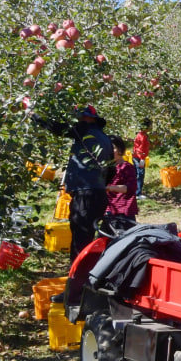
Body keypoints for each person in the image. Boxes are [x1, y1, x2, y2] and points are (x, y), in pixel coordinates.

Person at [33, 106, 115, 261]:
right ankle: (86, 277)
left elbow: (58, 129)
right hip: (98, 194)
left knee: (80, 241)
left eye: (78, 117)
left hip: (85, 194)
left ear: (86, 118)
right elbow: (112, 170)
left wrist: (35, 114)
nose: (76, 120)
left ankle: (77, 279)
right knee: (87, 239)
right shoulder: (105, 137)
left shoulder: (84, 130)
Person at [105, 135, 139, 218]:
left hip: (123, 211)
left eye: (113, 148)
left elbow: (131, 187)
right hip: (110, 209)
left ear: (120, 149)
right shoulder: (106, 168)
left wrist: (110, 188)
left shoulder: (126, 167)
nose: (110, 151)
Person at [132, 119, 151, 200]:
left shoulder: (142, 134)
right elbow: (140, 149)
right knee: (140, 174)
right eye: (150, 125)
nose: (151, 127)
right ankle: (138, 193)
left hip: (137, 157)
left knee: (137, 174)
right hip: (139, 158)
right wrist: (142, 159)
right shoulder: (142, 136)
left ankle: (135, 192)